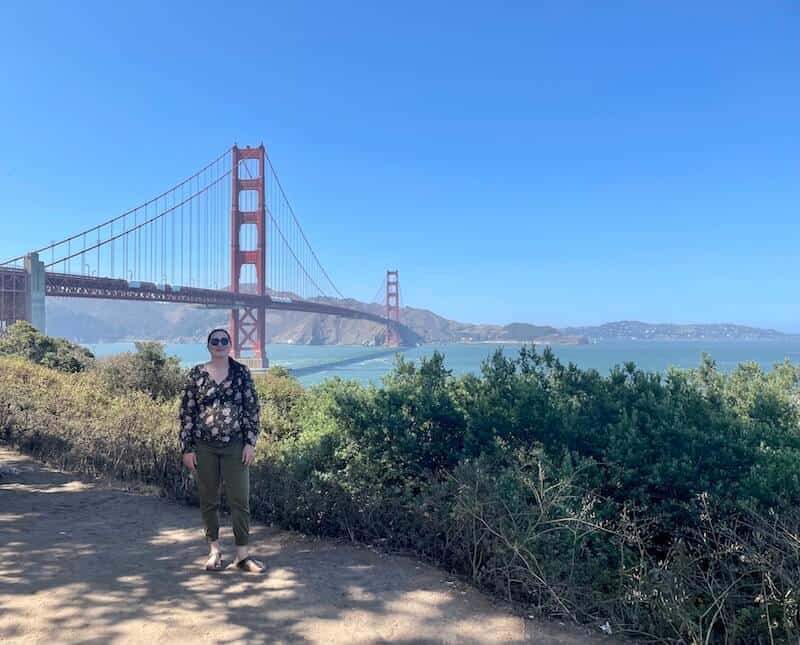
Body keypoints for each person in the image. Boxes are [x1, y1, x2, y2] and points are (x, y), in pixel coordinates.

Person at [178, 328, 266, 573]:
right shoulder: (196, 374)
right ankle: (214, 551)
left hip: (236, 446)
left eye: (224, 340)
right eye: (215, 341)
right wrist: (187, 448)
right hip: (204, 446)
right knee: (208, 499)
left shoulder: (241, 373)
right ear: (208, 346)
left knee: (240, 499)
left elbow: (252, 410)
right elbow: (187, 413)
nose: (219, 344)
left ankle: (242, 555)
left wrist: (250, 443)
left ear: (230, 345)